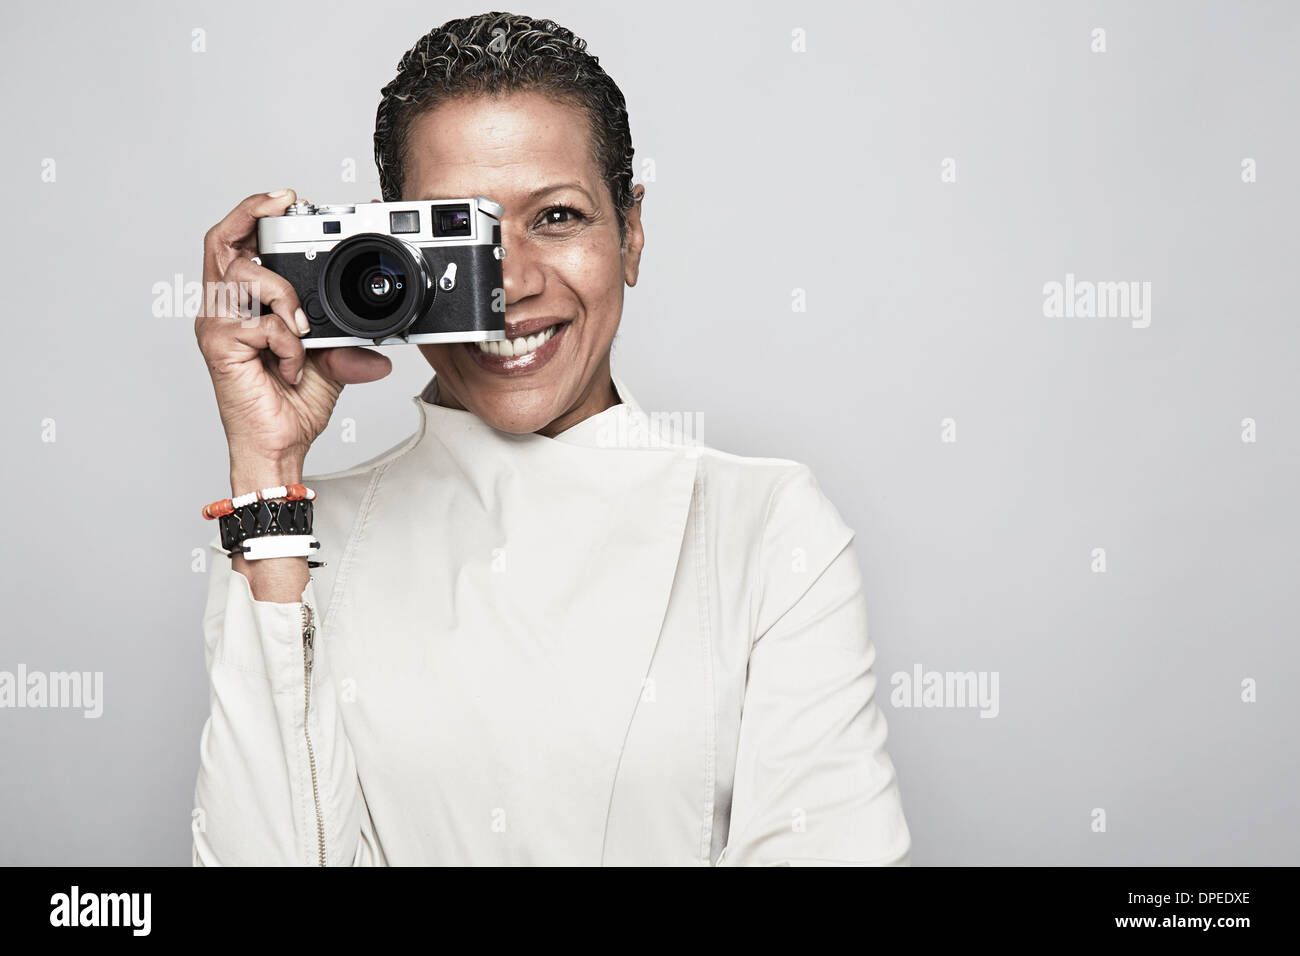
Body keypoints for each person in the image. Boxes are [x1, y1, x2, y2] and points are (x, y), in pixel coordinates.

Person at [191, 11, 911, 866]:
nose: (513, 283)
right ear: (389, 258)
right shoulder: (293, 537)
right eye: (463, 233)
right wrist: (267, 469)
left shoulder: (766, 528)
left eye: (559, 217)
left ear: (630, 233)